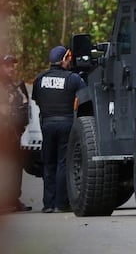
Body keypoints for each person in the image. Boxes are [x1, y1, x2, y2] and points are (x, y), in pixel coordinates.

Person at [31, 45, 86, 213]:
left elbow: (37, 100)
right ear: (64, 59)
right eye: (68, 58)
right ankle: (61, 204)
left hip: (47, 124)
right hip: (66, 124)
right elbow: (85, 98)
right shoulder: (73, 79)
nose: (70, 61)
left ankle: (48, 204)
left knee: (48, 163)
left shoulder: (39, 79)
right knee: (63, 162)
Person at [1, 54, 32, 212]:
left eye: (13, 66)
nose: (11, 69)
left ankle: (13, 199)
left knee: (15, 167)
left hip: (14, 134)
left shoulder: (14, 86)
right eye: (7, 66)